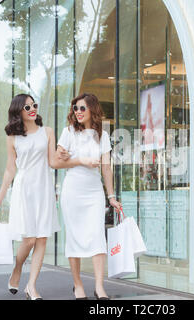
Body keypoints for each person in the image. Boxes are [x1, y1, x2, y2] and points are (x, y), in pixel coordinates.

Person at [0, 93, 62, 300]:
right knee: (29, 239)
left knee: (41, 239)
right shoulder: (12, 137)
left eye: (34, 105)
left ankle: (31, 286)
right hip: (24, 189)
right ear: (18, 111)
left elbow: (52, 162)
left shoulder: (47, 132)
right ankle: (17, 268)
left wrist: (65, 156)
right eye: (27, 106)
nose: (32, 109)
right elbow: (10, 170)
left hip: (44, 188)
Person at [52, 92, 122, 300]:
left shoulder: (103, 136)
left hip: (94, 193)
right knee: (74, 238)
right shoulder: (68, 132)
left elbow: (107, 169)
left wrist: (111, 196)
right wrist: (80, 160)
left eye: (82, 108)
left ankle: (100, 286)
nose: (78, 112)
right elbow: (57, 162)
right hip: (72, 190)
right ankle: (78, 284)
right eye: (75, 108)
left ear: (92, 109)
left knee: (98, 238)